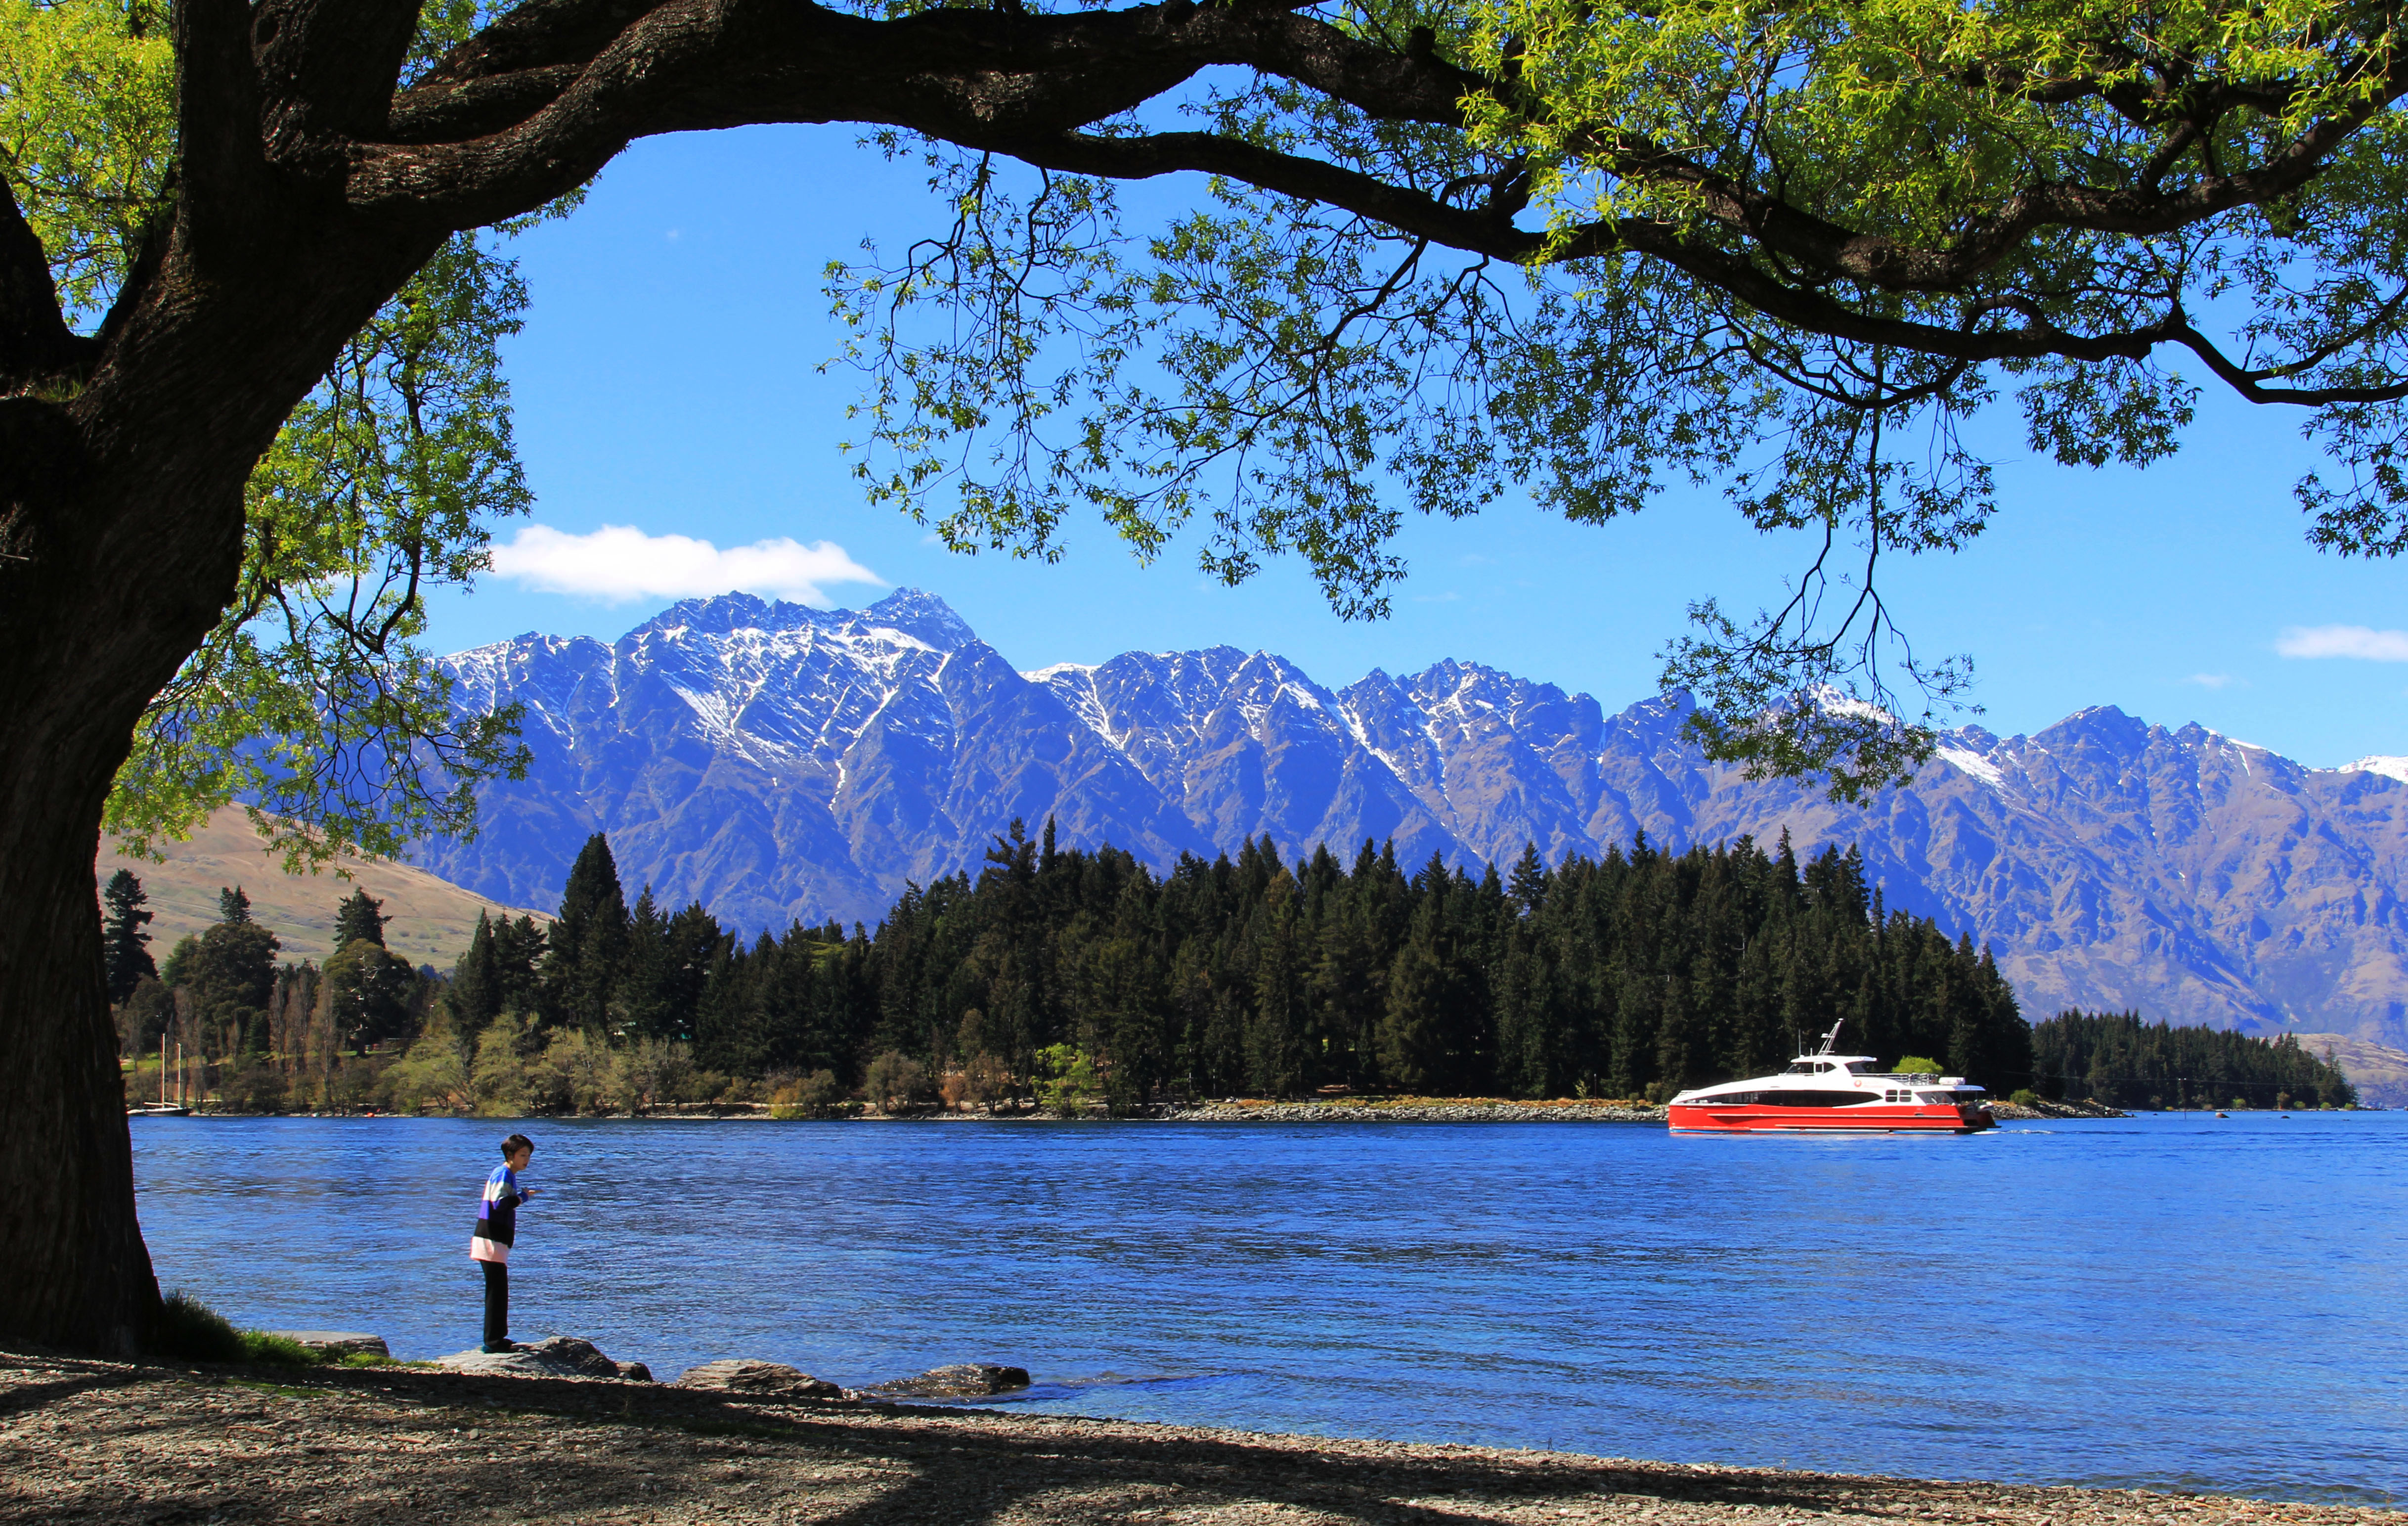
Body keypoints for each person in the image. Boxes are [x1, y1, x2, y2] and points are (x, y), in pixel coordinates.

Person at [469, 1133, 538, 1353]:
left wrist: (521, 1195)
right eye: (523, 1155)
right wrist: (523, 1197)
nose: (526, 1160)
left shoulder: (507, 1174)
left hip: (493, 1240)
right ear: (511, 1155)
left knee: (499, 1290)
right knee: (497, 1291)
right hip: (491, 1239)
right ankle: (493, 1342)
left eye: (528, 1155)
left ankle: (498, 1337)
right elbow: (500, 1204)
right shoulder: (504, 1174)